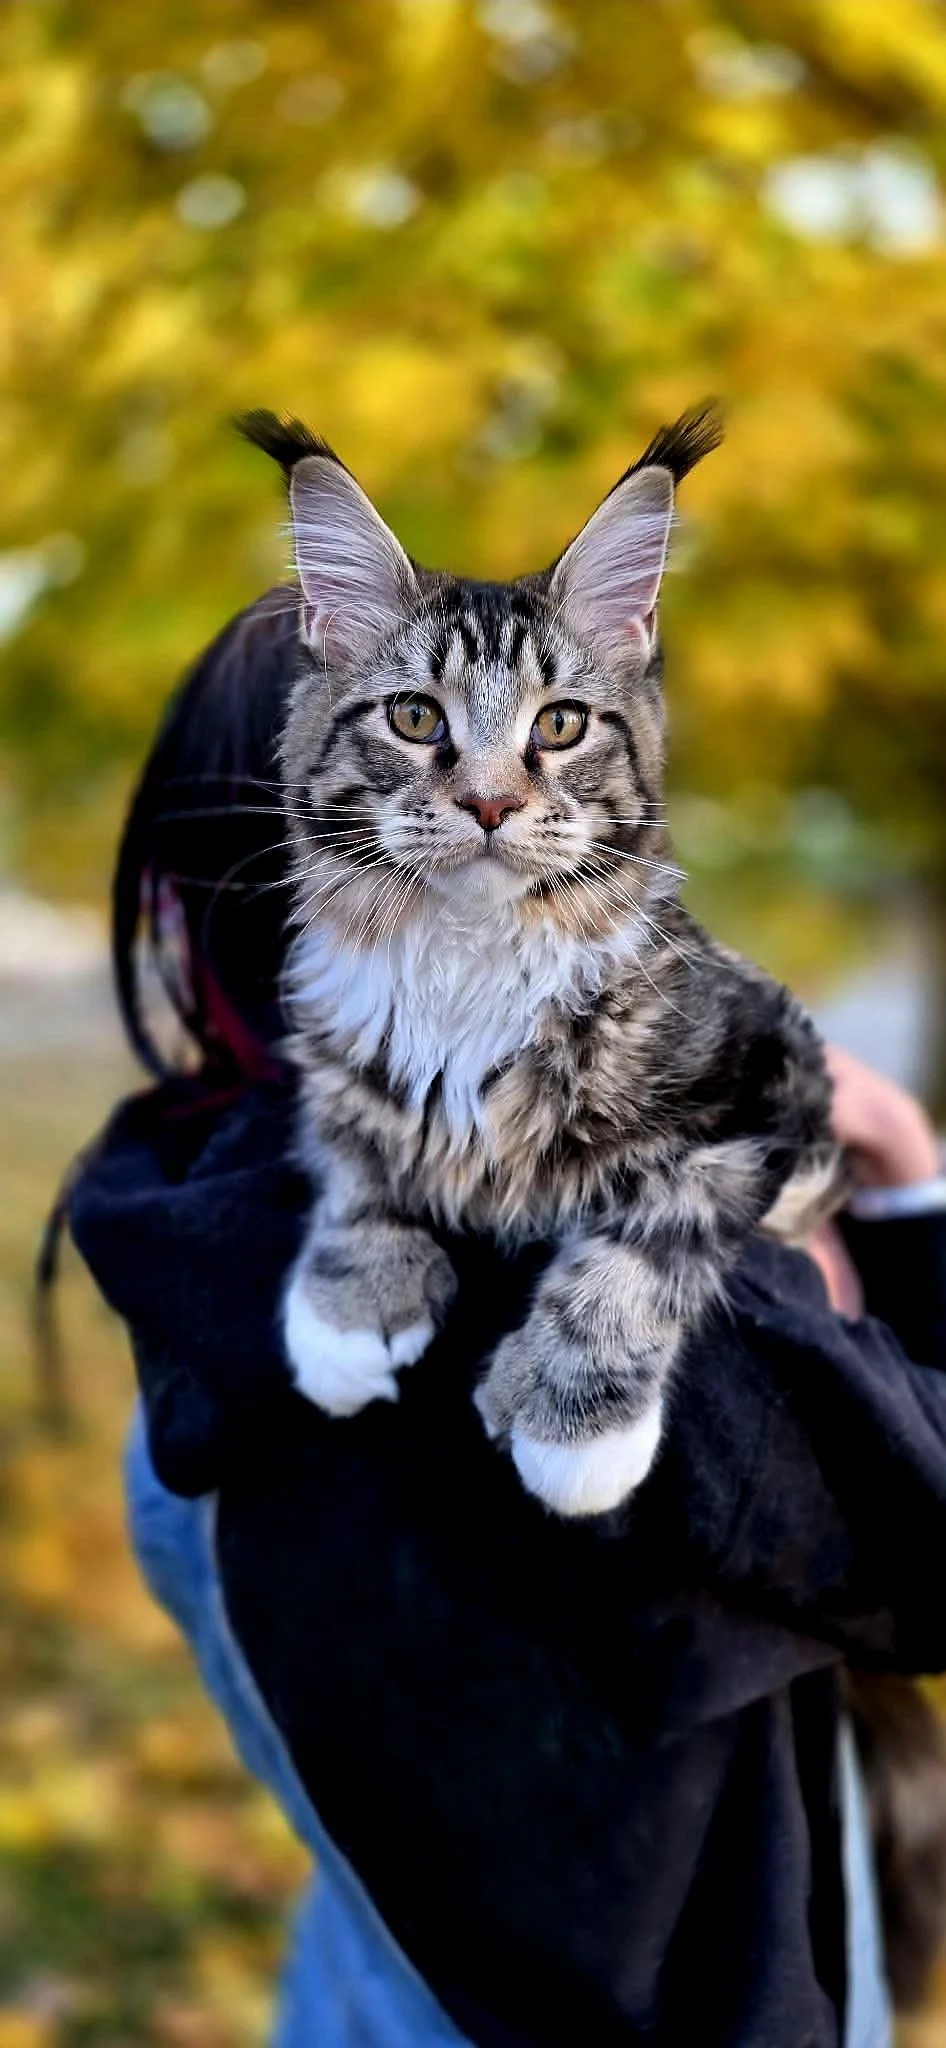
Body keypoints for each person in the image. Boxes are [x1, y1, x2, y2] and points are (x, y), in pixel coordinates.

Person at [67, 590, 946, 2048]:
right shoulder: (674, 1322)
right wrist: (905, 1194)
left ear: (170, 906)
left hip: (354, 2001)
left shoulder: (169, 1243)